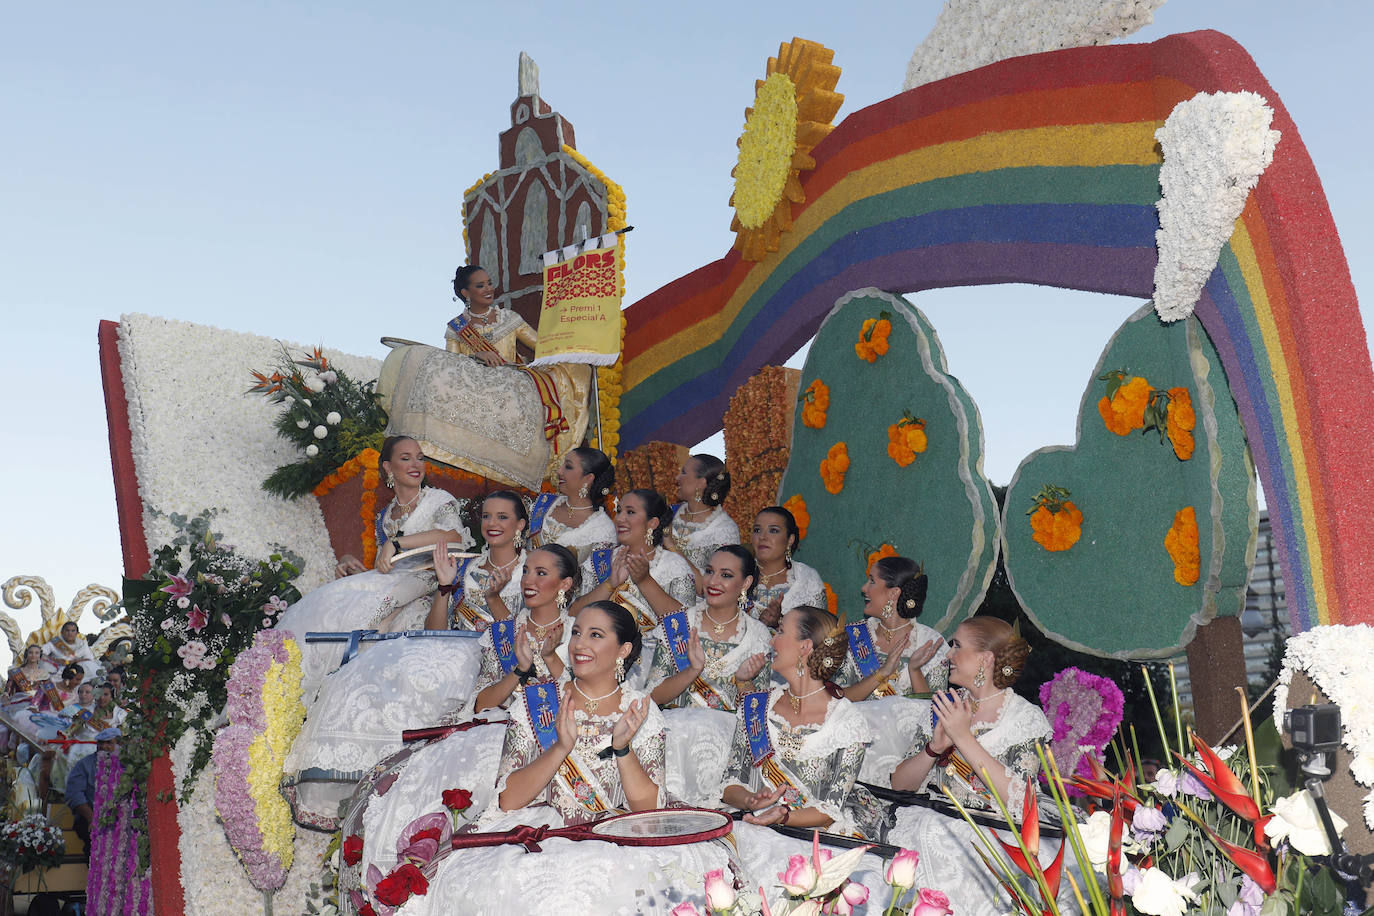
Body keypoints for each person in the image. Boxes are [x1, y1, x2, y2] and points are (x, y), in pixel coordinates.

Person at [375, 601, 731, 915]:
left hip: (617, 832)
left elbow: (647, 810)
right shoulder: (536, 702)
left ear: (622, 650)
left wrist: (622, 749)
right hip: (542, 829)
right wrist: (560, 748)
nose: (579, 644)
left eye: (595, 635)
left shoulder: (641, 709)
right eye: (576, 633)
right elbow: (509, 799)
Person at [280, 491, 526, 831]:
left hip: (501, 660)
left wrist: (495, 601)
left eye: (502, 517)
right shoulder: (465, 564)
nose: (492, 524)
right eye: (487, 516)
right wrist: (444, 587)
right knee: (381, 668)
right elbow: (437, 630)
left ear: (521, 525)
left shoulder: (535, 570)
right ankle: (363, 779)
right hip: (454, 649)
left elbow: (527, 633)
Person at [277, 435, 471, 697]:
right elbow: (386, 567)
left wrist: (398, 542)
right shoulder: (386, 515)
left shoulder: (438, 501)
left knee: (372, 614)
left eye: (420, 458)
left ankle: (344, 681)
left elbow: (452, 537)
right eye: (406, 458)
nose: (416, 464)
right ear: (389, 468)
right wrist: (352, 568)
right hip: (393, 581)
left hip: (428, 581)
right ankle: (296, 683)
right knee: (328, 602)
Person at [886, 617, 1056, 916]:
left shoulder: (1025, 720)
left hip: (992, 839)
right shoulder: (944, 705)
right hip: (930, 825)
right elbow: (900, 786)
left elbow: (1022, 803)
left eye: (957, 646)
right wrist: (933, 749)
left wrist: (963, 738)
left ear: (986, 659)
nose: (948, 655)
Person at [719, 606, 891, 895]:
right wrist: (751, 800)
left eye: (781, 631)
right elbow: (729, 783)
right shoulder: (755, 707)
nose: (773, 640)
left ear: (805, 647)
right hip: (754, 825)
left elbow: (829, 809)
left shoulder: (846, 721)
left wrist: (782, 815)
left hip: (818, 838)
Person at [378, 265, 593, 489]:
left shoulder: (509, 318)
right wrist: (476, 355)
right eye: (480, 286)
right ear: (466, 293)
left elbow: (543, 347)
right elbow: (451, 369)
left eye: (489, 283)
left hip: (511, 377)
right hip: (475, 385)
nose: (489, 289)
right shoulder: (457, 328)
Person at [650, 546, 772, 807]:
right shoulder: (677, 625)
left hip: (726, 744)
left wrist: (744, 682)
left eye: (726, 575)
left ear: (746, 583)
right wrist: (692, 672)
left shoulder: (759, 636)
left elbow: (756, 716)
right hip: (676, 738)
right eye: (709, 571)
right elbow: (653, 695)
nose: (713, 582)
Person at [837, 555, 951, 784]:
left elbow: (935, 717)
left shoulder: (932, 644)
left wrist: (915, 670)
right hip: (853, 754)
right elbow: (835, 700)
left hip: (910, 763)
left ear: (893, 593)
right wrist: (881, 674)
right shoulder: (852, 637)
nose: (864, 589)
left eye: (871, 581)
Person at [569, 489, 696, 689]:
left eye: (630, 512)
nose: (619, 518)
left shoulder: (673, 566)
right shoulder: (600, 561)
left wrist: (645, 581)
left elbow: (683, 629)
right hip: (598, 654)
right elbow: (573, 614)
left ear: (652, 523)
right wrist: (610, 584)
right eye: (619, 511)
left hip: (653, 665)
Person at [527, 447, 618, 563]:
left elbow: (596, 580)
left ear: (588, 478)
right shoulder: (544, 503)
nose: (559, 471)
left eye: (568, 467)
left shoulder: (602, 529)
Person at [664, 455, 740, 590]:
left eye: (683, 473)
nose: (677, 479)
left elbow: (711, 589)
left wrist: (672, 547)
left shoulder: (724, 530)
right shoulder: (669, 514)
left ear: (701, 483)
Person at [747, 506, 825, 628]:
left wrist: (779, 624)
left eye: (773, 530)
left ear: (790, 540)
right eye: (757, 530)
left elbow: (819, 635)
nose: (762, 537)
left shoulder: (807, 579)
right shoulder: (738, 570)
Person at [64, 727, 120, 855]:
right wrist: (92, 818)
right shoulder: (84, 765)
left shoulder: (126, 765)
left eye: (109, 743)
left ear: (118, 745)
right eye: (100, 743)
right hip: (90, 817)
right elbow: (74, 795)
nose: (103, 747)